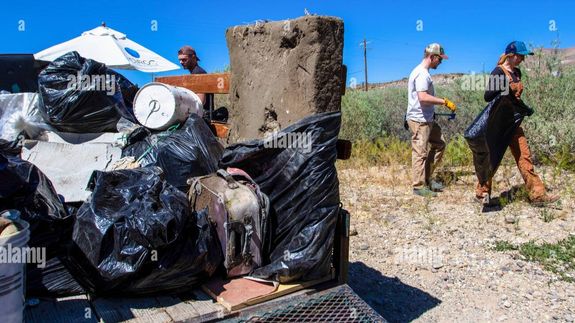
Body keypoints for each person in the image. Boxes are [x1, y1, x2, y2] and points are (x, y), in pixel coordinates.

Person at [476, 41, 559, 206]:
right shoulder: (498, 72)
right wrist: (504, 88)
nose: (522, 58)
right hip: (498, 124)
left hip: (514, 123)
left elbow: (515, 99)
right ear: (511, 55)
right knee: (493, 157)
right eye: (520, 55)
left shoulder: (517, 73)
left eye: (523, 56)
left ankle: (537, 195)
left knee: (524, 156)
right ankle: (482, 193)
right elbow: (488, 96)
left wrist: (524, 108)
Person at [406, 43, 457, 197]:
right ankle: (418, 186)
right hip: (420, 120)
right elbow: (422, 97)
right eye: (439, 59)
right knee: (420, 152)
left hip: (427, 119)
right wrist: (444, 102)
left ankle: (427, 178)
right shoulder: (422, 73)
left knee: (439, 144)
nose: (440, 62)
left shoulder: (423, 72)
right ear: (432, 57)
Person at [177, 45, 213, 110]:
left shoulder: (198, 73)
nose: (181, 62)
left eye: (184, 59)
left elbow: (200, 102)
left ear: (193, 58)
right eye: (180, 60)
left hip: (202, 114)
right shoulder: (196, 72)